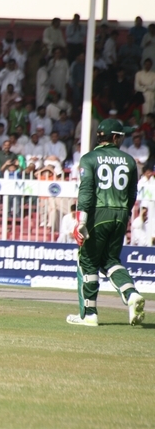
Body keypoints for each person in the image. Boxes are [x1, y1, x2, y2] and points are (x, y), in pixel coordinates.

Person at [68, 119, 146, 326]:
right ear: (113, 137)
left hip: (98, 214)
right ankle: (131, 294)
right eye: (120, 136)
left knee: (88, 261)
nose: (122, 139)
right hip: (120, 214)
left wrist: (81, 220)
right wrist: (124, 215)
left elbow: (85, 191)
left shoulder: (89, 158)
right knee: (110, 260)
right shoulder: (129, 160)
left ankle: (90, 314)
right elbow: (132, 194)